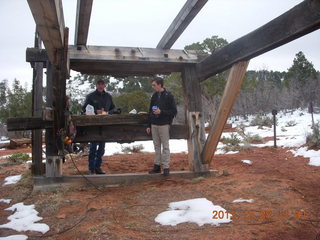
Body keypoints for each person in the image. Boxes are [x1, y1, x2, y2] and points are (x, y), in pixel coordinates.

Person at [82, 79, 116, 174]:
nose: (100, 86)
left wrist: (108, 112)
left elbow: (113, 108)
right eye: (99, 84)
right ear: (96, 85)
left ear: (105, 85)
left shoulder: (108, 96)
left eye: (102, 84)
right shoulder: (90, 96)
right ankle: (91, 168)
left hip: (104, 126)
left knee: (101, 149)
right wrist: (95, 111)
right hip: (94, 126)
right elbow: (84, 108)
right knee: (93, 148)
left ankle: (98, 167)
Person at [146, 77, 177, 176]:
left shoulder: (168, 96)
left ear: (160, 84)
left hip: (164, 124)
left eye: (154, 85)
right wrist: (148, 125)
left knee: (165, 146)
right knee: (156, 146)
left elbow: (174, 111)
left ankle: (166, 167)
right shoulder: (154, 96)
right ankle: (157, 167)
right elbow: (150, 111)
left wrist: (161, 112)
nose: (153, 87)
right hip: (154, 124)